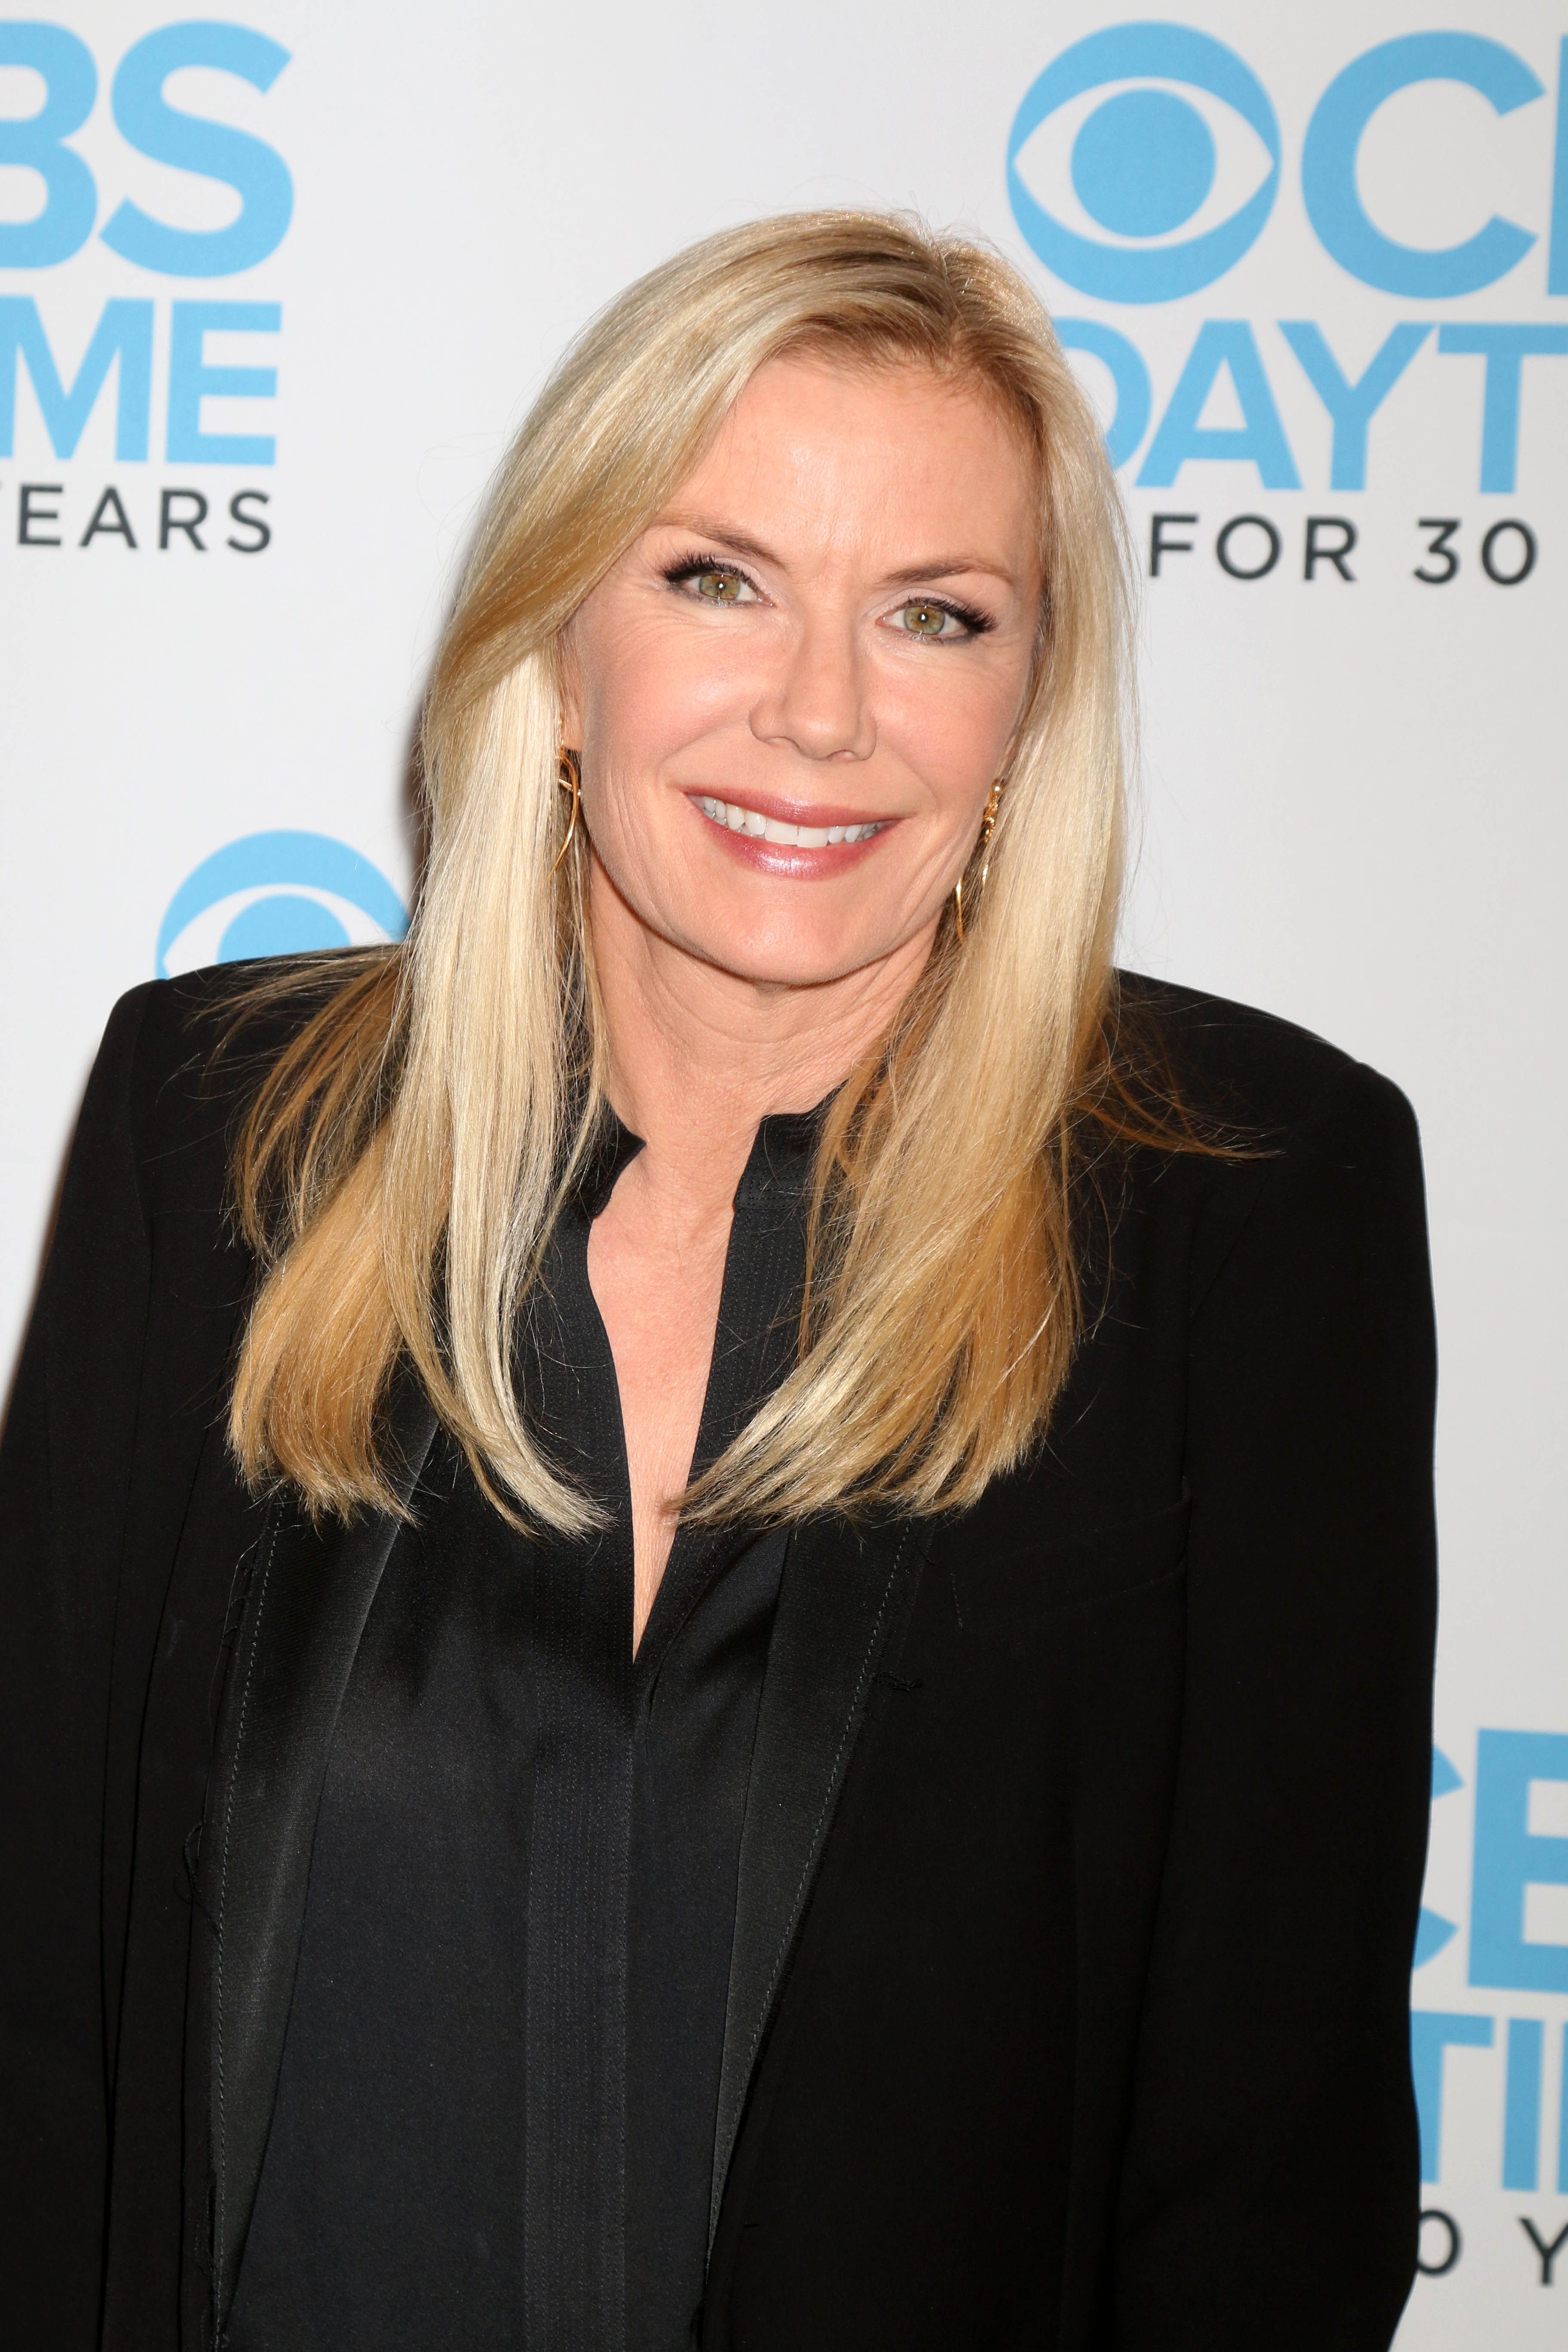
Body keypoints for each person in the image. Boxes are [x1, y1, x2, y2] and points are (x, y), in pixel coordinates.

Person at [0, 212, 1436, 2352]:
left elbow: (1265, 2153)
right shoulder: (221, 1129)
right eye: (717, 580)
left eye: (936, 615)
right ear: (557, 641)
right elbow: (40, 1997)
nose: (822, 712)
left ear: (1028, 710)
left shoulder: (1245, 1201)